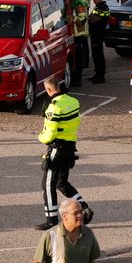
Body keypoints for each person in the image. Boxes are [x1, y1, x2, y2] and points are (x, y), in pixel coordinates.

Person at [35, 75, 93, 230]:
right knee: (62, 183)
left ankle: (51, 219)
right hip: (70, 148)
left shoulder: (53, 107)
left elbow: (50, 133)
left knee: (47, 185)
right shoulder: (73, 101)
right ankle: (84, 207)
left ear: (48, 89)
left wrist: (41, 138)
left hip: (56, 149)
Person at [31, 199, 100, 263]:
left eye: (81, 212)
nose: (80, 215)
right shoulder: (50, 236)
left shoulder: (88, 234)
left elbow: (91, 262)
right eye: (75, 213)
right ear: (64, 216)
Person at [65, 0, 89, 88]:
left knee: (78, 58)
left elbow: (82, 20)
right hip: (75, 34)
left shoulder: (79, 4)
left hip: (79, 34)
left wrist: (72, 18)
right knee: (76, 57)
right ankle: (75, 78)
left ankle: (77, 79)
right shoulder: (74, 3)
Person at [87, 0, 111, 84]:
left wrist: (88, 18)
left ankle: (101, 76)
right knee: (95, 55)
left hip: (99, 34)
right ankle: (97, 74)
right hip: (94, 34)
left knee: (98, 55)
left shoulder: (103, 7)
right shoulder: (97, 7)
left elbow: (93, 20)